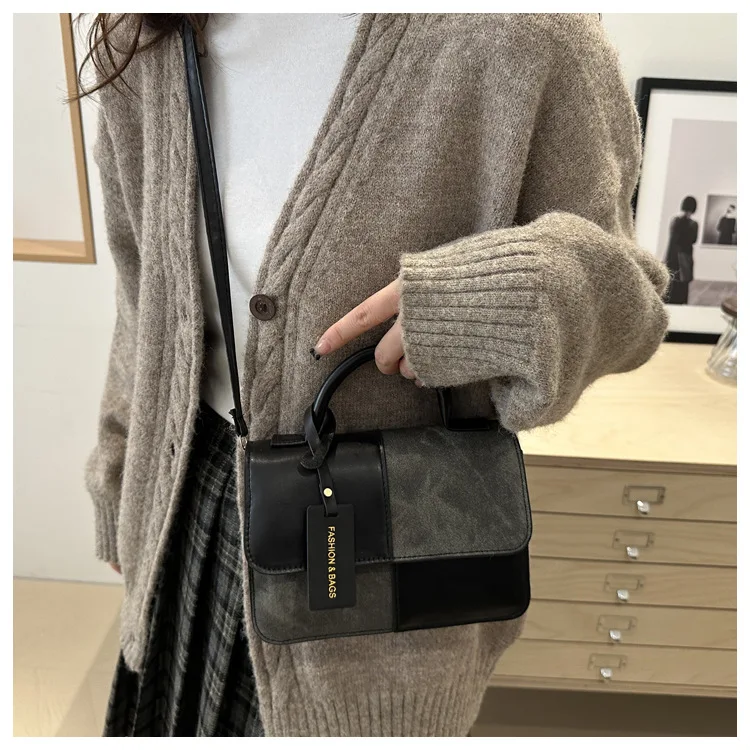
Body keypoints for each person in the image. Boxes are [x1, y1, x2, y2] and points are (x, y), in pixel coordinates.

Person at [80, 13, 669, 737]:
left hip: (390, 548)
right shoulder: (149, 34)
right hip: (184, 506)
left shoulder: (525, 37)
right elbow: (144, 298)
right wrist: (117, 482)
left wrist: (501, 298)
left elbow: (632, 305)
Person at [665, 195, 699, 284]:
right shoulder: (693, 224)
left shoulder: (675, 221)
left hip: (673, 255)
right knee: (683, 283)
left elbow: (672, 240)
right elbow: (694, 240)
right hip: (685, 255)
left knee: (672, 282)